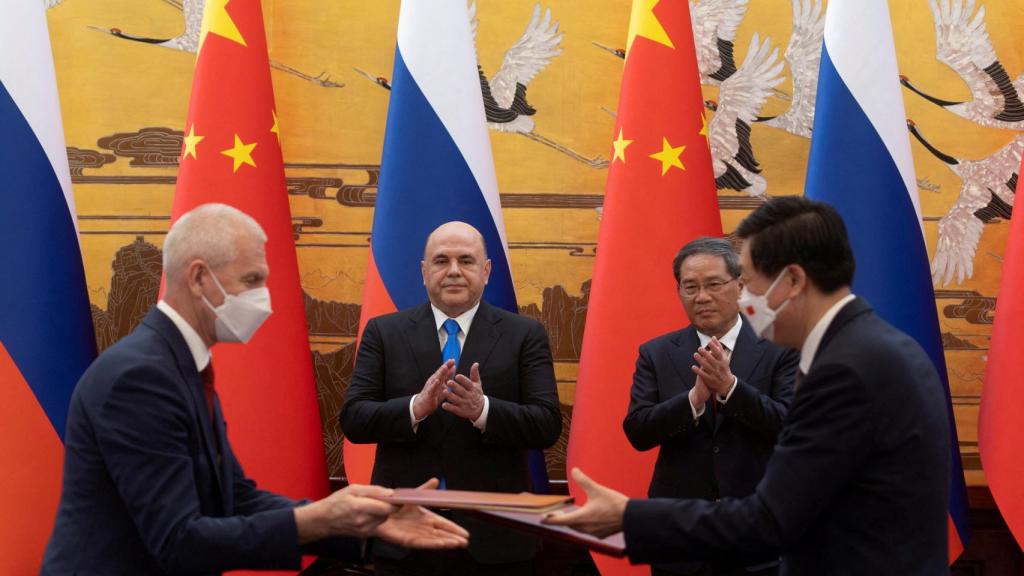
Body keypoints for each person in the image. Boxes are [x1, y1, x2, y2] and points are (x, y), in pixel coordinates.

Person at [42, 204, 468, 576]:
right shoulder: (139, 377)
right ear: (199, 278)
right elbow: (176, 540)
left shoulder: (179, 363)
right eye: (251, 279)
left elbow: (235, 497)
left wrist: (361, 526)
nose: (264, 297)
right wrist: (320, 519)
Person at [546, 196, 950, 575]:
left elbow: (772, 518)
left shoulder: (845, 368)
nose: (747, 298)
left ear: (791, 280)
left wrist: (629, 517)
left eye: (751, 282)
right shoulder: (878, 346)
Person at [341, 221, 562, 576]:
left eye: (467, 261)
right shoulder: (384, 332)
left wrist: (483, 411)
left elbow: (547, 425)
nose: (454, 271)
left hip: (496, 540)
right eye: (441, 261)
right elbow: (354, 419)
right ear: (424, 271)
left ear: (486, 271)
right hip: (404, 535)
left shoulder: (525, 334)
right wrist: (416, 408)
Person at [622, 237, 797, 576]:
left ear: (740, 285)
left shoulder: (780, 347)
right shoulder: (657, 353)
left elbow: (791, 425)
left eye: (713, 285)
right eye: (690, 287)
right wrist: (694, 400)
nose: (701, 297)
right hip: (679, 535)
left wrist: (730, 389)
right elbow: (638, 430)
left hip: (755, 533)